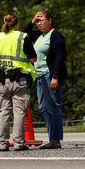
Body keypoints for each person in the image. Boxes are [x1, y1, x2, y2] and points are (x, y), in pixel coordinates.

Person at [0, 12, 37, 152]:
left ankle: (2, 143)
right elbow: (33, 59)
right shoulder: (22, 37)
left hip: (2, 80)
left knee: (3, 112)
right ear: (17, 24)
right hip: (20, 80)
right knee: (19, 112)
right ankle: (18, 143)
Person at [24, 11, 67, 149]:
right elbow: (23, 36)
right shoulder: (40, 36)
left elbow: (60, 58)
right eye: (38, 21)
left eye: (42, 20)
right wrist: (32, 21)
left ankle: (55, 140)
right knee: (43, 107)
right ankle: (52, 138)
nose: (39, 23)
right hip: (40, 75)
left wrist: (55, 77)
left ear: (50, 20)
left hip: (50, 75)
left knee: (54, 106)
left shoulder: (55, 36)